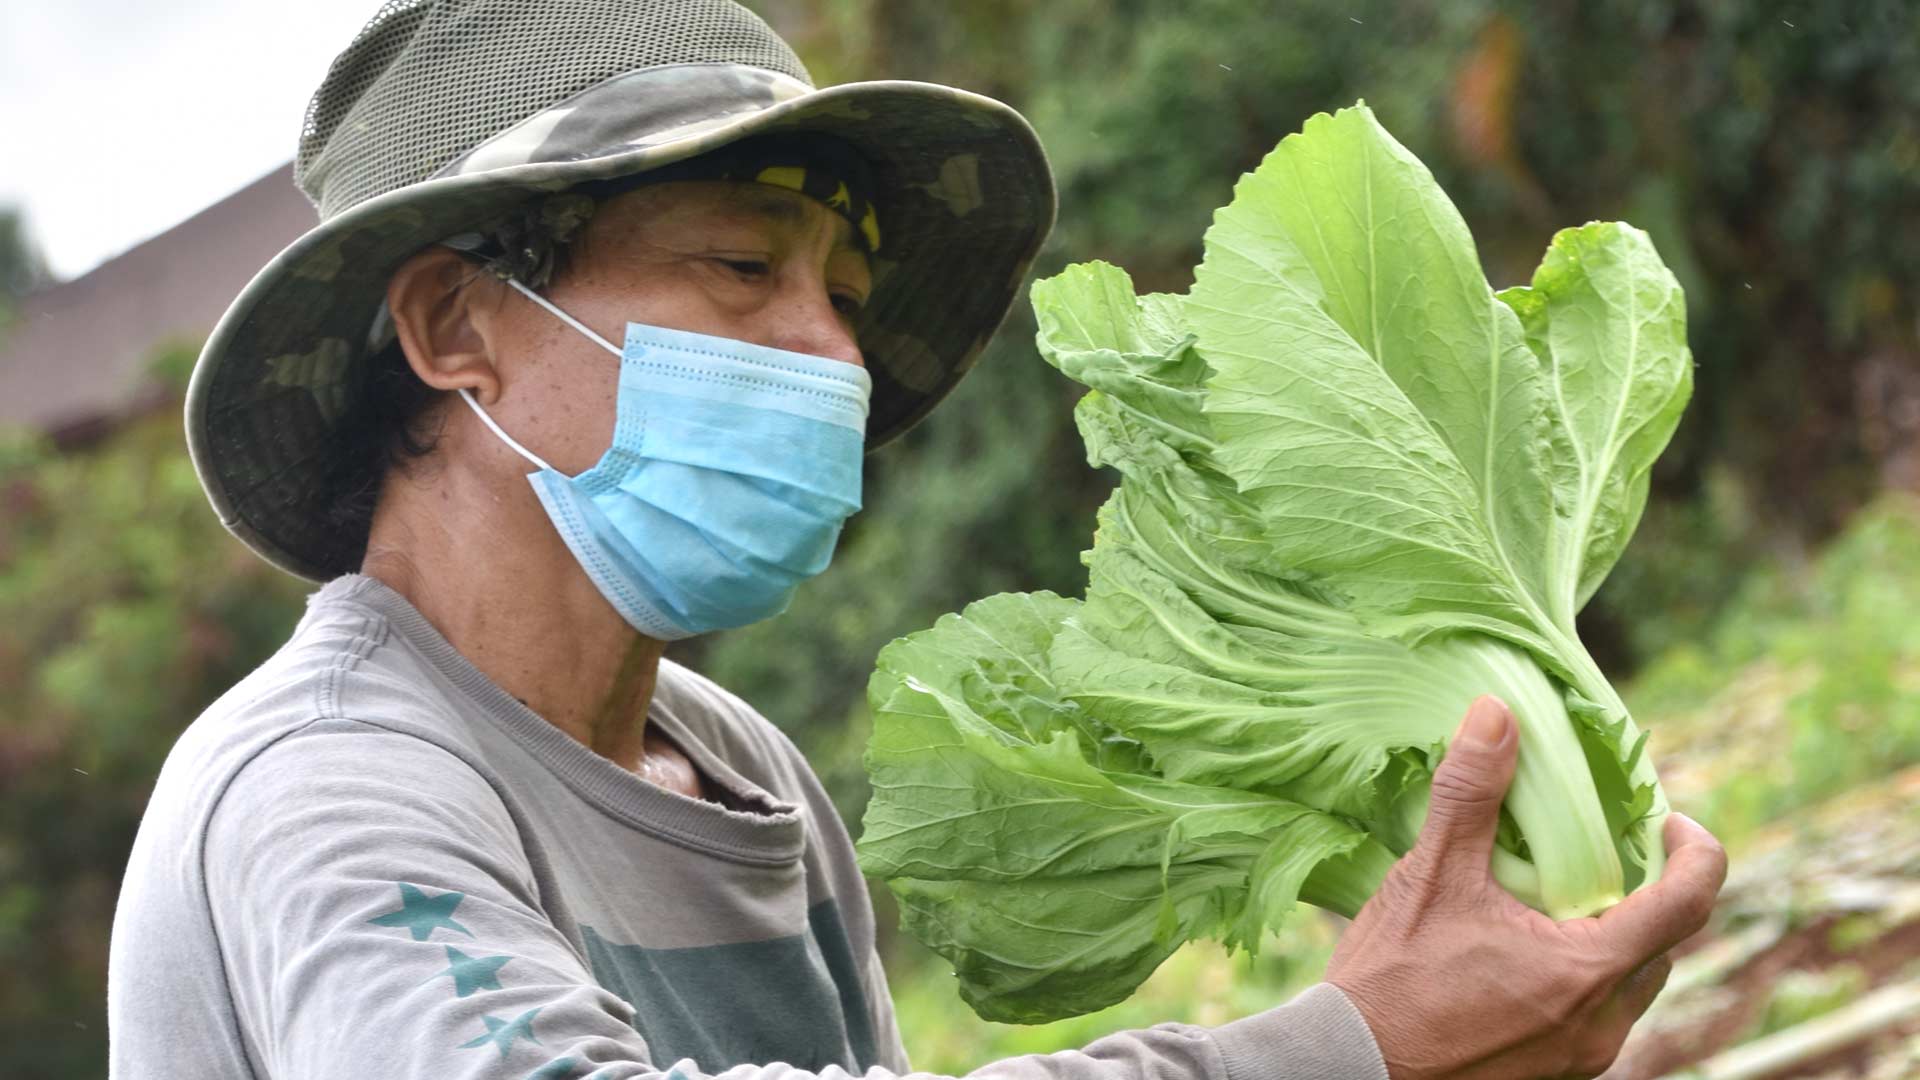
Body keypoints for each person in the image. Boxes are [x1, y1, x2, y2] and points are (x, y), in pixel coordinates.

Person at [106, 2, 1728, 1078]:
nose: (835, 354)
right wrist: (1342, 1048)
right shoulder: (329, 791)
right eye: (745, 270)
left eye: (848, 297)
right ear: (458, 326)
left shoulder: (739, 773)